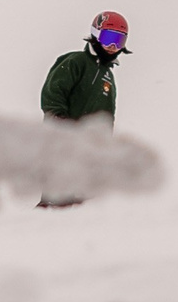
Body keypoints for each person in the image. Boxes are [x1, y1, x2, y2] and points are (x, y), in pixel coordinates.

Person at [35, 11, 128, 208]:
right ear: (95, 34)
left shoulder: (107, 75)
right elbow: (53, 91)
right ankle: (46, 216)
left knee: (82, 197)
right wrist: (58, 119)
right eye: (108, 38)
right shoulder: (76, 61)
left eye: (119, 41)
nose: (113, 46)